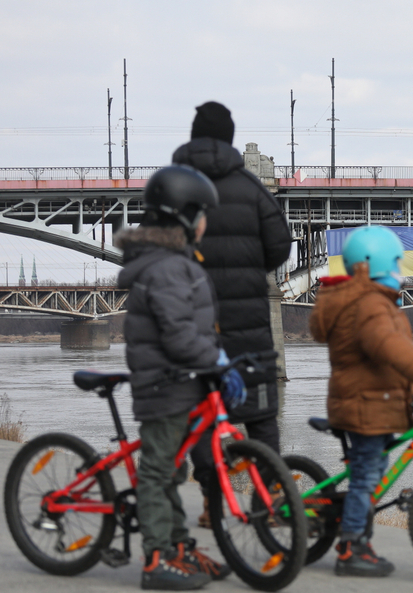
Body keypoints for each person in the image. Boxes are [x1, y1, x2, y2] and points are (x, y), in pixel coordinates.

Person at [172, 101, 293, 528]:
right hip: (250, 323)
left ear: (193, 135)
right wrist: (249, 268)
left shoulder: (175, 185)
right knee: (261, 417)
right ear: (229, 136)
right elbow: (281, 244)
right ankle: (269, 499)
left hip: (193, 324)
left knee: (202, 414)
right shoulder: (250, 187)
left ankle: (212, 503)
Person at [115, 165, 232, 590]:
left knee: (170, 471)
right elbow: (180, 335)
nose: (206, 223)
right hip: (165, 384)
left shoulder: (176, 262)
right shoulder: (166, 269)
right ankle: (157, 559)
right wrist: (217, 361)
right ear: (183, 216)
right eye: (202, 213)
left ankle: (178, 546)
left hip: (180, 382)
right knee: (158, 470)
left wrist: (214, 362)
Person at [309, 226, 413, 578]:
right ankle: (352, 546)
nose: (400, 268)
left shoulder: (370, 300)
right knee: (367, 476)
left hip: (372, 402)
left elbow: (381, 361)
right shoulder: (369, 304)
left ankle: (354, 529)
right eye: (397, 261)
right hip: (365, 405)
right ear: (378, 261)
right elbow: (386, 345)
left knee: (371, 471)